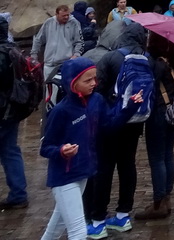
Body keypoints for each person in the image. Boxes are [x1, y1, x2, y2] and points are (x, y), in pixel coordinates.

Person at [39, 57, 143, 240]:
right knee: (78, 232)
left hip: (84, 173)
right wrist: (61, 150)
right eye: (87, 80)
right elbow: (46, 147)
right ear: (73, 82)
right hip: (64, 177)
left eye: (95, 78)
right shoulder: (61, 111)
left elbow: (109, 125)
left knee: (56, 228)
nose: (94, 83)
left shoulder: (97, 100)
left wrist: (130, 107)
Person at [83, 21, 149, 237]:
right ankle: (122, 216)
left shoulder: (111, 57)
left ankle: (98, 219)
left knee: (104, 169)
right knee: (127, 165)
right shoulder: (146, 59)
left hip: (111, 122)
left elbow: (97, 89)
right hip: (135, 121)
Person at [135, 36, 174, 221]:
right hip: (173, 111)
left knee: (156, 158)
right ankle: (166, 198)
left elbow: (148, 85)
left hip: (158, 112)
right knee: (168, 155)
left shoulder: (158, 64)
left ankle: (158, 202)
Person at [0, 13, 29, 212]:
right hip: (11, 113)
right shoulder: (13, 50)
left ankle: (18, 195)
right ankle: (19, 195)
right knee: (10, 152)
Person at [32, 5, 84, 100]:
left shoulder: (74, 23)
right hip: (49, 64)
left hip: (65, 64)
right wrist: (33, 55)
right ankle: (48, 112)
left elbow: (79, 42)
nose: (66, 17)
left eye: (67, 15)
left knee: (63, 92)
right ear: (56, 14)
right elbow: (38, 39)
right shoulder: (49, 22)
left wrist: (76, 55)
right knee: (49, 92)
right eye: (63, 15)